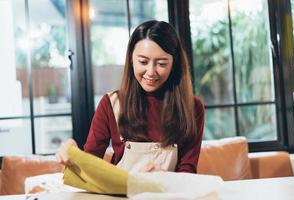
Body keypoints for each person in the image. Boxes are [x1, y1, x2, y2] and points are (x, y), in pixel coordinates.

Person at [56, 20, 205, 173]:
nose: (151, 72)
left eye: (161, 64)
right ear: (131, 60)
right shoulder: (111, 104)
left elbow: (188, 171)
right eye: (143, 61)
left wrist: (164, 178)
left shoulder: (192, 108)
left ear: (174, 64)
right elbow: (89, 166)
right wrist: (72, 152)